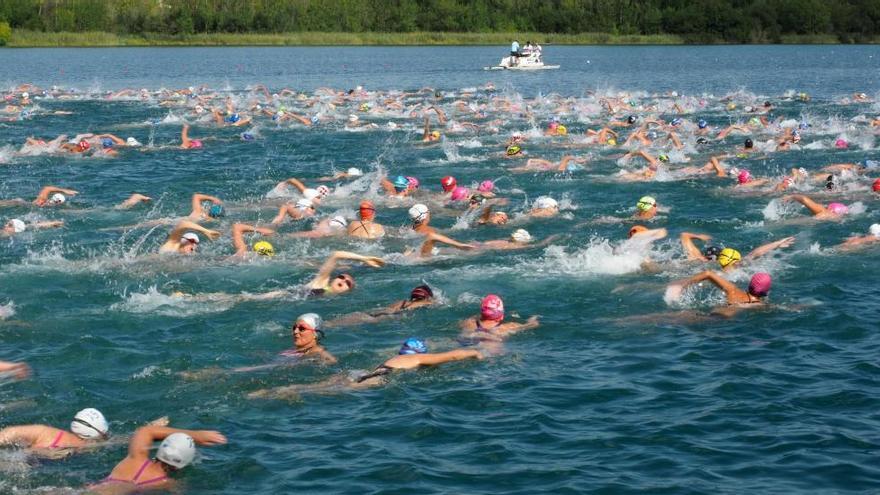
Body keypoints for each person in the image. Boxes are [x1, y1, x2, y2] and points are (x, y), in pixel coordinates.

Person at [248, 338, 482, 398]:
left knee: (313, 387)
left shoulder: (396, 359)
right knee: (313, 391)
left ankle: (268, 392)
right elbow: (452, 356)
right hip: (374, 380)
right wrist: (475, 352)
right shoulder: (418, 360)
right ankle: (273, 394)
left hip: (365, 373)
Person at [88, 425, 226, 494]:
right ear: (181, 465)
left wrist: (196, 435)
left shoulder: (135, 458)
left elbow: (146, 431)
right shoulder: (167, 483)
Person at [0, 408, 108, 453]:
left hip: (22, 458)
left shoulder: (44, 431)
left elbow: (10, 432)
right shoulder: (85, 447)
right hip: (39, 462)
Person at [325, 285, 436, 327]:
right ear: (427, 297)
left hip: (383, 311)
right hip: (395, 316)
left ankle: (328, 323)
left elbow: (388, 310)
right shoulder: (427, 303)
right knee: (368, 320)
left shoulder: (401, 302)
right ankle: (329, 325)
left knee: (361, 316)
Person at [666, 271, 772, 313]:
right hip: (718, 321)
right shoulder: (759, 305)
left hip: (709, 313)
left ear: (750, 284)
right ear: (766, 290)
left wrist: (683, 285)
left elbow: (708, 273)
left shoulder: (733, 290)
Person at [459, 294, 540, 343]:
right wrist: (533, 319)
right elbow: (533, 325)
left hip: (464, 343)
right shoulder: (506, 327)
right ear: (501, 316)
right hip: (489, 350)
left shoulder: (469, 323)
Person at [307, 250, 385, 296]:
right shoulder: (320, 283)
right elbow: (336, 255)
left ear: (348, 292)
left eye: (348, 283)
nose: (343, 281)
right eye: (341, 277)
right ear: (333, 279)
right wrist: (364, 259)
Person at [782, 194, 849, 220]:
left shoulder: (821, 210)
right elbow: (804, 199)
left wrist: (791, 196)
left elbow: (803, 199)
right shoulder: (822, 211)